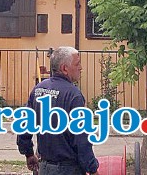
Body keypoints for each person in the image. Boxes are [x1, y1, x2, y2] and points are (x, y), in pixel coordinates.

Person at [16, 46, 100, 175]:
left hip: (44, 167)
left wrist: (28, 153)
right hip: (69, 169)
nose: (81, 68)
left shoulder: (39, 89)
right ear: (65, 68)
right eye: (77, 64)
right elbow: (81, 139)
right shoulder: (74, 95)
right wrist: (92, 169)